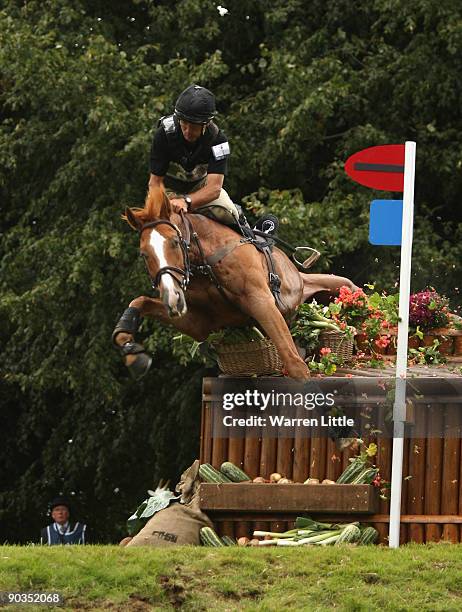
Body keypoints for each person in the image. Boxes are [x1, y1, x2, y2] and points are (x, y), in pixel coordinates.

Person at [148, 84, 243, 226]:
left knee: (231, 213)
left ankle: (256, 239)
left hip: (202, 189)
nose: (187, 131)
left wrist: (187, 201)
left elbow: (214, 188)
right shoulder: (163, 135)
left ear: (205, 124)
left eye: (193, 126)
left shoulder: (219, 141)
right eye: (184, 124)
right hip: (168, 191)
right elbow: (155, 183)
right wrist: (160, 206)